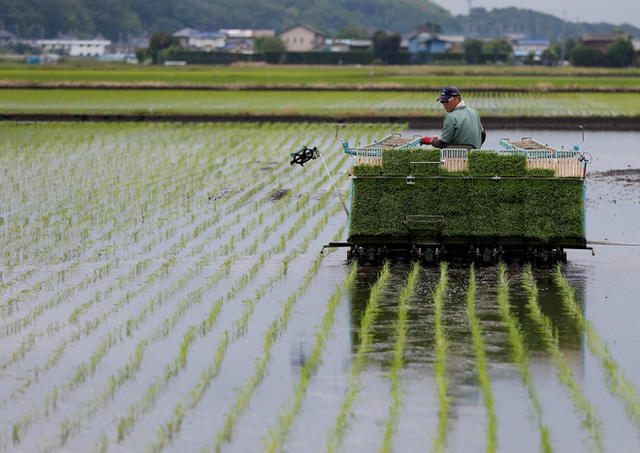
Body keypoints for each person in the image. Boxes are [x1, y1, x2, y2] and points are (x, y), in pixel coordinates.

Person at [420, 85, 486, 150]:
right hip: (474, 157)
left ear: (457, 98)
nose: (444, 104)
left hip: (456, 159)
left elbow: (442, 143)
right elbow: (483, 135)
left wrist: (430, 141)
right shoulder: (474, 113)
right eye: (442, 101)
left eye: (446, 101)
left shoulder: (450, 117)